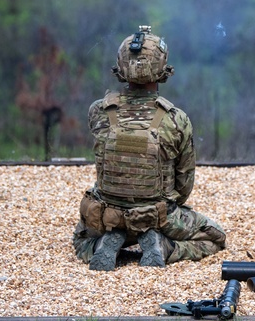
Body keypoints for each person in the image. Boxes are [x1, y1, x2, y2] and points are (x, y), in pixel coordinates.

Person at [73, 25, 226, 271]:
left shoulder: (99, 111)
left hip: (107, 215)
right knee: (215, 236)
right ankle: (164, 246)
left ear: (120, 69)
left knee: (80, 240)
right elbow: (184, 184)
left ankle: (105, 243)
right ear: (162, 70)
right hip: (158, 216)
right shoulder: (176, 119)